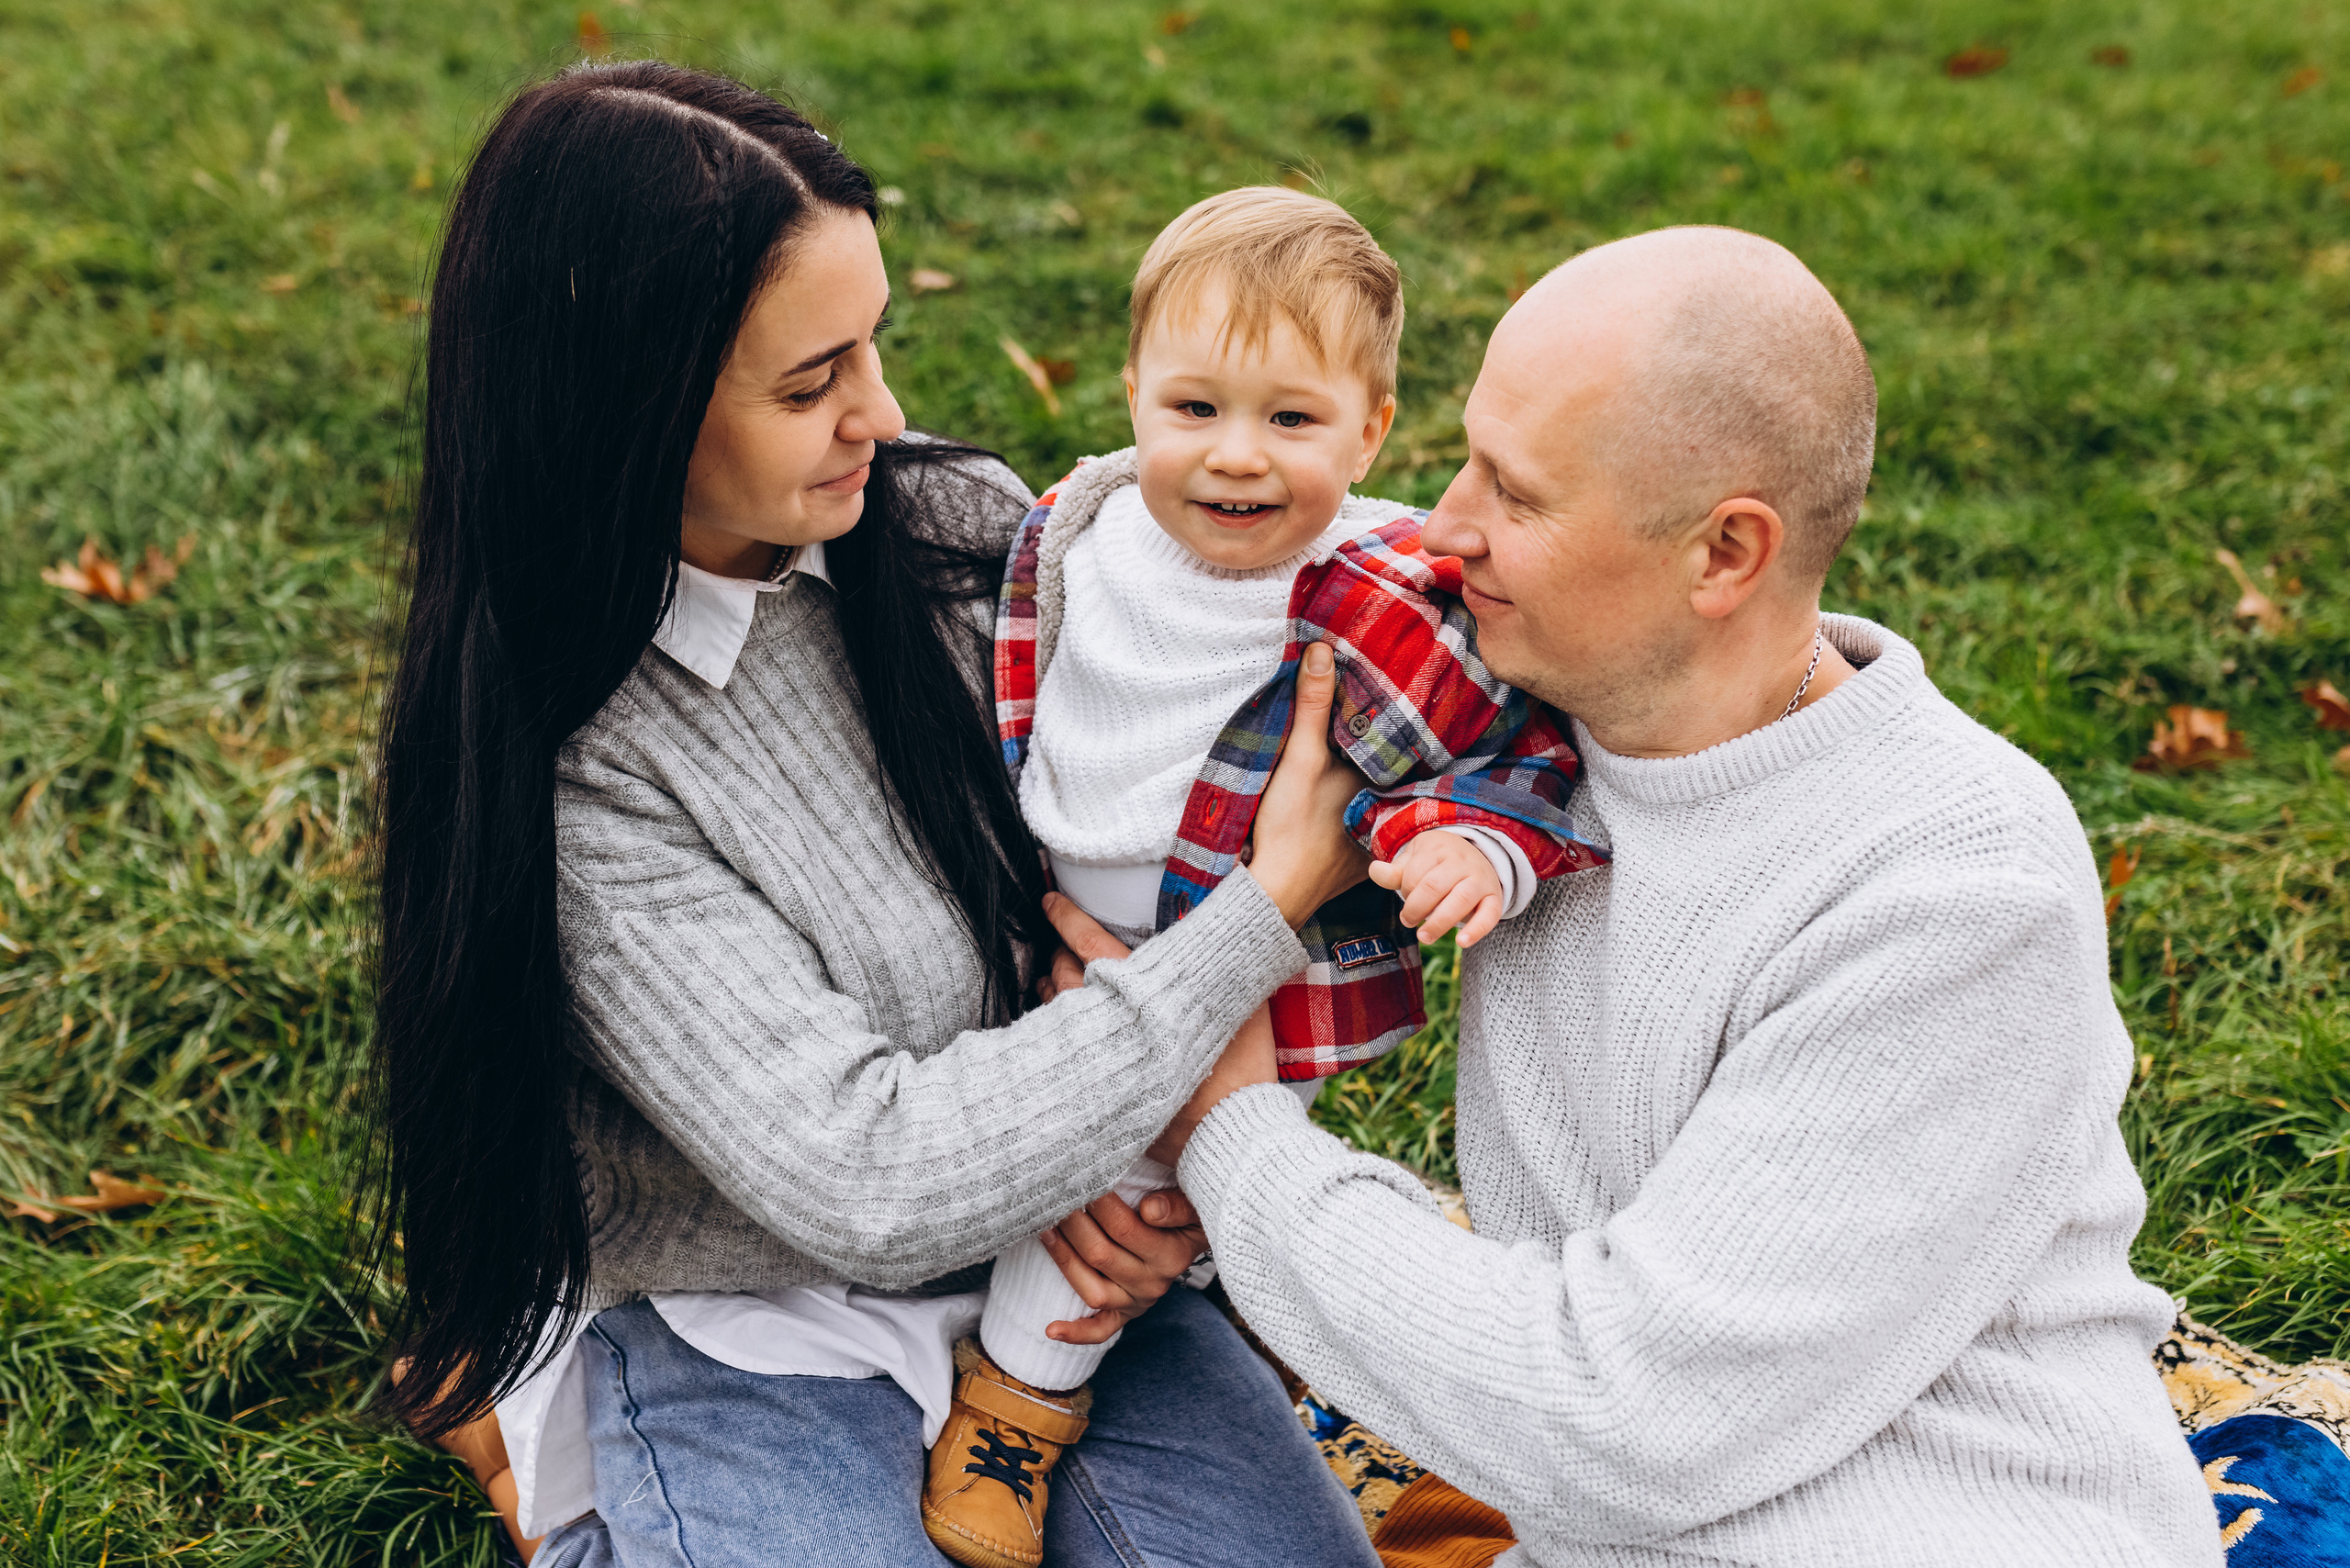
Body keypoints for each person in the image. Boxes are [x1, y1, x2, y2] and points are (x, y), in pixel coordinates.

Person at [367, 60, 1380, 1568]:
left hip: (1065, 1256)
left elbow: (1212, 672)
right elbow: (872, 1180)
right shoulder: (574, 764)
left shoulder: (959, 528)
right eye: (809, 384)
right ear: (626, 409)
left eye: (873, 342)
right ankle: (554, 1453)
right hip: (743, 1319)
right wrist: (1264, 910)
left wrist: (1145, 1178)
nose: (884, 413)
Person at [1143, 227, 2224, 1565]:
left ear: (1723, 555)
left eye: (1516, 494)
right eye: (1467, 457)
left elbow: (1627, 1423)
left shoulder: (1954, 889)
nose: (1444, 527)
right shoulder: (1521, 741)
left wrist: (1229, 1134)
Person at [927, 186, 1605, 1568]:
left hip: (1254, 972)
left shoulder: (1389, 595)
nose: (1236, 457)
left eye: (1293, 420)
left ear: (1372, 429)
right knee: (1068, 1153)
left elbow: (1524, 751)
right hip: (1058, 924)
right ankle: (1219, 1302)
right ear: (1132, 395)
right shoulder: (1075, 530)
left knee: (1145, 1180)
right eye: (1195, 408)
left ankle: (1018, 1400)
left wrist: (1472, 843)